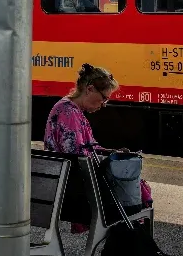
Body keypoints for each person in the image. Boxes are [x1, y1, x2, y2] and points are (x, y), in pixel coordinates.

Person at [44, 63, 153, 211]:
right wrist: (109, 160)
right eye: (104, 98)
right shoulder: (68, 113)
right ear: (90, 89)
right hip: (74, 192)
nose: (104, 104)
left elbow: (83, 151)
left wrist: (111, 152)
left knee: (131, 190)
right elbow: (79, 158)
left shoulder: (69, 109)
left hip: (67, 184)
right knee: (131, 197)